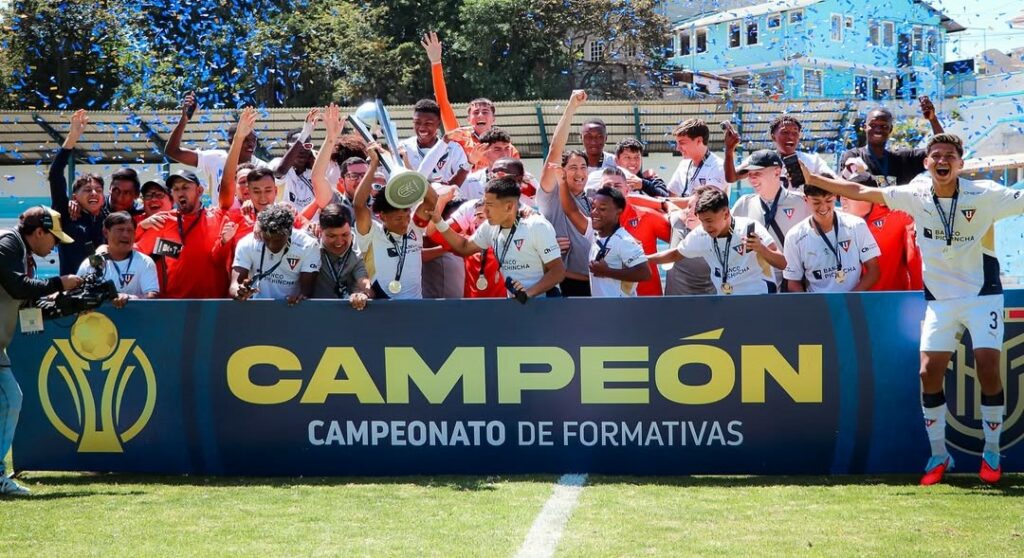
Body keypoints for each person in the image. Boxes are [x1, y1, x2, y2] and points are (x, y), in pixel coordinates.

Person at [802, 133, 1020, 485]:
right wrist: (816, 180)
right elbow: (860, 191)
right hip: (939, 301)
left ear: (961, 163)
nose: (942, 160)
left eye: (949, 155)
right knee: (927, 373)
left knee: (988, 366)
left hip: (982, 296)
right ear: (926, 162)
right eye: (936, 155)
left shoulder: (985, 194)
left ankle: (992, 452)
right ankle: (939, 455)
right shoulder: (915, 194)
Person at [0, 206, 81, 496]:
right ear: (38, 232)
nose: (55, 246)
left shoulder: (22, 254)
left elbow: (27, 306)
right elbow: (18, 287)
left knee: (11, 399)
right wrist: (59, 283)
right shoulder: (8, 243)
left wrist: (72, 303)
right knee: (10, 399)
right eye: (54, 239)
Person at [432, 176, 565, 300]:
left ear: (509, 206)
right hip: (516, 302)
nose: (485, 211)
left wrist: (528, 294)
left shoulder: (536, 226)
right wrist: (438, 221)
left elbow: (558, 271)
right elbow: (464, 247)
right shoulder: (489, 227)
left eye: (490, 205)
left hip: (544, 303)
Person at [648, 187, 786, 295]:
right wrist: (644, 259)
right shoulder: (700, 234)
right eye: (702, 221)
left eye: (709, 221)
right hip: (725, 302)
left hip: (759, 298)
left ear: (725, 213)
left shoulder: (749, 227)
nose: (705, 227)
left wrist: (761, 248)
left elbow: (782, 263)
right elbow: (676, 254)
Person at [420, 32, 521, 170]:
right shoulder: (459, 136)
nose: (480, 115)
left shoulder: (507, 148)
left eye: (485, 112)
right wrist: (436, 62)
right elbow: (442, 101)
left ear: (493, 119)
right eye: (475, 112)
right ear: (468, 119)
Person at [353, 144, 438, 300]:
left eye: (407, 216)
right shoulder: (371, 233)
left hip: (415, 306)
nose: (405, 223)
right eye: (398, 218)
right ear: (382, 216)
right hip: (383, 306)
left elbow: (432, 199)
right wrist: (373, 165)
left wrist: (406, 172)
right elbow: (359, 205)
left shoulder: (415, 227)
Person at [134, 170, 233, 298]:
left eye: (185, 187)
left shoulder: (218, 217)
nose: (180, 193)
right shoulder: (164, 221)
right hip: (176, 301)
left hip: (214, 301)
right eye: (176, 189)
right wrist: (140, 227)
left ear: (199, 191)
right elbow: (136, 251)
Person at [537, 90, 595, 296]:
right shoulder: (551, 195)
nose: (579, 173)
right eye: (572, 167)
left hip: (593, 282)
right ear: (560, 170)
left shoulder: (591, 200)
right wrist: (571, 108)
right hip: (563, 283)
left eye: (583, 167)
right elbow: (555, 150)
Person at [730, 150, 812, 289]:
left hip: (795, 281)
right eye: (749, 174)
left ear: (777, 172)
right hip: (759, 282)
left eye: (758, 173)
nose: (752, 179)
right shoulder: (744, 204)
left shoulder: (801, 202)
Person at [164, 91, 269, 200]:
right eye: (245, 139)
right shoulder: (215, 158)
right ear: (231, 140)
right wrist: (184, 119)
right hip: (221, 211)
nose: (251, 144)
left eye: (254, 140)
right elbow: (172, 151)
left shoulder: (262, 168)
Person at [586, 168, 670, 296]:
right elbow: (571, 212)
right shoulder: (595, 221)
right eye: (607, 186)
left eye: (617, 186)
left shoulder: (647, 215)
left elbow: (680, 243)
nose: (613, 189)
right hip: (612, 301)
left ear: (627, 190)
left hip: (648, 297)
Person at [558, 181, 650, 297]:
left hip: (621, 307)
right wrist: (562, 181)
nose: (594, 212)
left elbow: (644, 273)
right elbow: (571, 211)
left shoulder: (624, 240)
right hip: (601, 306)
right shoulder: (594, 233)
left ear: (619, 212)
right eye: (593, 207)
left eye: (602, 209)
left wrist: (607, 272)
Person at [782, 184, 880, 292]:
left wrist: (851, 298)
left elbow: (873, 270)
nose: (823, 207)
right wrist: (809, 302)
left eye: (828, 200)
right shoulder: (794, 237)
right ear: (806, 200)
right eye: (816, 202)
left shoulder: (857, 225)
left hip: (853, 300)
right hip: (817, 302)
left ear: (835, 196)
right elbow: (793, 282)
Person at [48, 109, 107, 274]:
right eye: (87, 190)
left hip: (105, 286)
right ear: (75, 196)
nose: (94, 193)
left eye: (98, 190)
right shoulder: (65, 212)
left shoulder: (109, 217)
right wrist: (72, 137)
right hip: (72, 285)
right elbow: (55, 174)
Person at [839, 176, 923, 291]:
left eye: (849, 195)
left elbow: (915, 261)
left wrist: (917, 296)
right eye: (841, 195)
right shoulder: (835, 222)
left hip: (891, 298)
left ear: (867, 196)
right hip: (849, 299)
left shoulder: (899, 216)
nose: (842, 199)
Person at [839, 98, 943, 187]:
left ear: (890, 129)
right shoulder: (854, 155)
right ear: (865, 127)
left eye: (884, 126)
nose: (878, 129)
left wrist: (933, 119)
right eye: (873, 125)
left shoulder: (902, 159)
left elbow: (941, 149)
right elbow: (850, 183)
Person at [230, 203, 319, 304]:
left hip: (291, 308)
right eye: (266, 239)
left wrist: (299, 298)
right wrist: (240, 292)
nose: (271, 245)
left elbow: (307, 291)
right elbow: (234, 285)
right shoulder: (247, 243)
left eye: (277, 240)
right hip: (257, 307)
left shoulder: (308, 245)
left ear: (290, 232)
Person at [724, 114, 835, 188]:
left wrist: (810, 178)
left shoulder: (813, 161)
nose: (790, 136)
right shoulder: (761, 159)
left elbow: (835, 183)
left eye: (795, 133)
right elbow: (731, 177)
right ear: (773, 137)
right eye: (785, 132)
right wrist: (729, 150)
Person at [78, 212, 159, 306]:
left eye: (130, 230)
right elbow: (77, 295)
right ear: (105, 232)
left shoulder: (145, 262)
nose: (126, 235)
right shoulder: (91, 263)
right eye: (120, 230)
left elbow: (152, 297)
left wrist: (130, 298)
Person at [312, 203, 371, 309]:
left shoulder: (360, 246)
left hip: (350, 312)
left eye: (345, 235)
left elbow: (364, 280)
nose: (339, 242)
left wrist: (364, 294)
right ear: (320, 231)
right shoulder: (309, 245)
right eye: (332, 236)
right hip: (316, 310)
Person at [397, 99, 469, 186]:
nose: (422, 128)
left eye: (428, 123)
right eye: (417, 122)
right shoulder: (403, 148)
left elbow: (463, 182)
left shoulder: (454, 148)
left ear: (438, 124)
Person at [584, 138, 670, 198]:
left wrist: (643, 184)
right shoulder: (599, 177)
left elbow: (667, 198)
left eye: (637, 157)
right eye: (627, 157)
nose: (633, 162)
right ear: (616, 160)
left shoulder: (652, 179)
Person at [666, 119, 728, 197]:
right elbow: (670, 195)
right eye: (677, 143)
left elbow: (704, 201)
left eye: (682, 143)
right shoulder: (684, 164)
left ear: (699, 140)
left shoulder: (718, 166)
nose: (677, 148)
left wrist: (664, 201)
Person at [665, 208, 715, 295]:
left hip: (708, 300)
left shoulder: (719, 239)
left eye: (696, 209)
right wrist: (664, 204)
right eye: (689, 207)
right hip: (674, 301)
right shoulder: (678, 222)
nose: (690, 211)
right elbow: (672, 209)